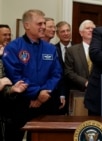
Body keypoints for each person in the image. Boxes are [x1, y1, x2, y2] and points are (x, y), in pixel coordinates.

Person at [2, 9, 62, 141]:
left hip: (46, 103)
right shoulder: (13, 47)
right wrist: (36, 93)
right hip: (22, 104)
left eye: (44, 23)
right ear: (27, 25)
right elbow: (15, 75)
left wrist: (43, 94)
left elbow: (56, 74)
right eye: (39, 24)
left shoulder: (50, 49)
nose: (43, 27)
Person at [54, 21, 74, 115]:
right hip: (58, 92)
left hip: (75, 90)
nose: (66, 33)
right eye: (62, 31)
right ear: (57, 34)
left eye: (68, 30)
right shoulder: (53, 49)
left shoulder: (79, 48)